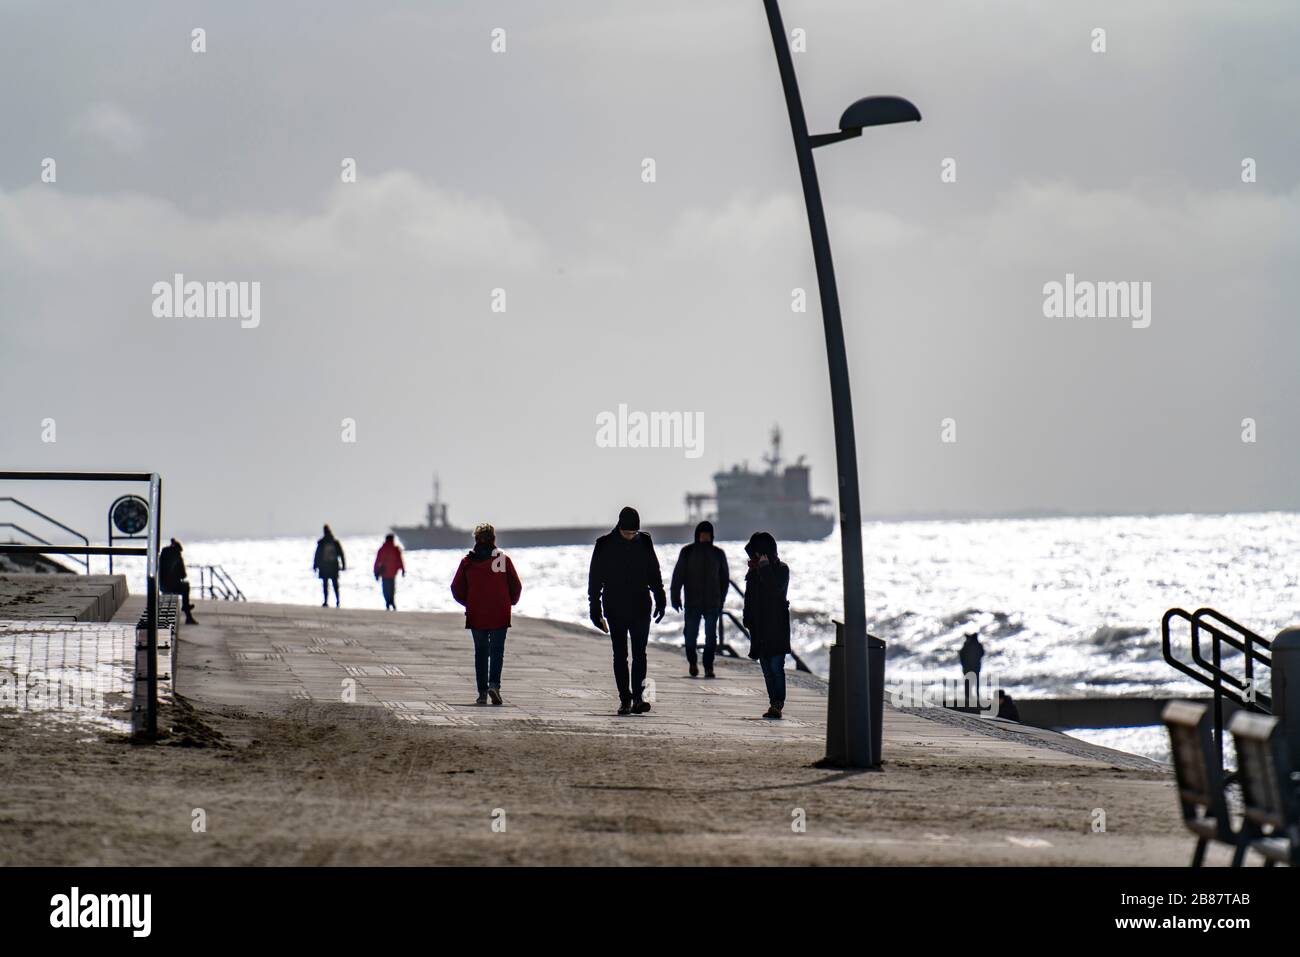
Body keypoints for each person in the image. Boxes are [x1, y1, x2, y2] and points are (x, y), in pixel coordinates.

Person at [587, 506, 666, 716]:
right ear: (620, 527)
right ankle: (625, 699)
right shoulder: (604, 545)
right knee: (620, 655)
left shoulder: (645, 541)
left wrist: (660, 597)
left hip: (641, 604)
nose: (632, 536)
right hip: (615, 606)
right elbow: (595, 580)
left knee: (640, 653)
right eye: (628, 533)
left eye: (634, 533)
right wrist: (594, 609)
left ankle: (639, 699)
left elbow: (654, 571)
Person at [451, 523, 522, 705]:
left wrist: (469, 602)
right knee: (497, 651)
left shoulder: (468, 562)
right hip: (499, 612)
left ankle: (482, 692)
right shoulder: (502, 559)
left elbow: (456, 588)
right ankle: (494, 685)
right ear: (494, 539)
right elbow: (516, 586)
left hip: (477, 613)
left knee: (481, 652)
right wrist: (510, 602)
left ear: (476, 539)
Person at [670, 520, 729, 678]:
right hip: (692, 603)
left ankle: (708, 667)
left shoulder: (718, 554)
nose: (704, 537)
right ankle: (693, 663)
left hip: (712, 603)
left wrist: (721, 601)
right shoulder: (687, 552)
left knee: (711, 637)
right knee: (690, 636)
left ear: (712, 536)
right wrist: (675, 596)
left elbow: (725, 579)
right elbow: (678, 576)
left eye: (707, 535)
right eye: (702, 535)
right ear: (697, 535)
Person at [742, 531, 790, 719]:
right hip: (759, 626)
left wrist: (764, 568)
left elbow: (775, 591)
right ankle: (773, 703)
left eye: (758, 553)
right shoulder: (752, 571)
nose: (755, 557)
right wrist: (746, 617)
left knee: (777, 666)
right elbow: (749, 597)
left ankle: (778, 703)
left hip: (776, 626)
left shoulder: (782, 569)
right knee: (767, 669)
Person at [158, 538, 198, 625]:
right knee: (185, 586)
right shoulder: (177, 556)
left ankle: (186, 607)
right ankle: (187, 611)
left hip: (162, 586)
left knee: (183, 586)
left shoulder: (162, 556)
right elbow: (183, 575)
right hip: (172, 586)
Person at [313, 525, 345, 607]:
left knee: (325, 585)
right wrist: (344, 564)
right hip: (333, 566)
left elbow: (317, 555)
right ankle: (337, 601)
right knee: (335, 585)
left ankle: (326, 601)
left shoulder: (322, 543)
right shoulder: (334, 542)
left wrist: (315, 565)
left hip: (324, 567)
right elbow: (341, 554)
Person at [373, 534, 406, 610]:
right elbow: (400, 560)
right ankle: (391, 601)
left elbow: (377, 561)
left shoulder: (382, 549)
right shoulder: (395, 549)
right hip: (392, 573)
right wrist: (403, 569)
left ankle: (388, 602)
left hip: (384, 573)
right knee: (391, 588)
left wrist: (376, 572)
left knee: (385, 589)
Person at [959, 632, 984, 709]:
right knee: (976, 682)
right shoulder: (978, 645)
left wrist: (963, 664)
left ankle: (968, 697)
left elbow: (961, 654)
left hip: (968, 667)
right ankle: (976, 695)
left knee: (968, 683)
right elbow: (982, 653)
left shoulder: (966, 644)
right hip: (975, 667)